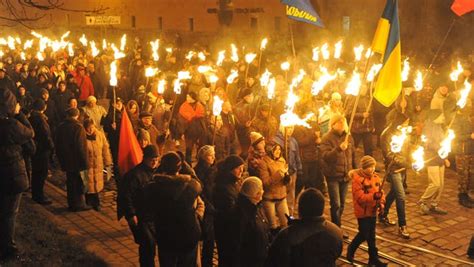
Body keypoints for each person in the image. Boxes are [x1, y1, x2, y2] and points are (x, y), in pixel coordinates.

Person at [146, 152, 204, 267]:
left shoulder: (153, 188)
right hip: (189, 234)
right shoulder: (191, 186)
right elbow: (198, 183)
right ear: (180, 166)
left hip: (166, 235)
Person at [265, 188, 343, 267]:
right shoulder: (336, 231)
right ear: (322, 208)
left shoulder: (286, 236)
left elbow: (273, 261)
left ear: (300, 209)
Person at [0, 88, 35, 261]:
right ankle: (8, 249)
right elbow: (30, 132)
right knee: (9, 213)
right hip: (12, 174)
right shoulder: (11, 125)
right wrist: (19, 114)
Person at [117, 145, 159, 267]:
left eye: (156, 159)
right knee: (147, 244)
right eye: (152, 159)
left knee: (151, 244)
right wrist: (131, 214)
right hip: (140, 216)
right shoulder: (135, 175)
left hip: (152, 215)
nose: (154, 162)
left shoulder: (156, 173)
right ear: (145, 158)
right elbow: (126, 196)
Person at [347, 156, 387, 266]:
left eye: (373, 166)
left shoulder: (376, 177)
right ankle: (351, 248)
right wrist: (374, 196)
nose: (372, 169)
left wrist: (382, 202)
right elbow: (360, 198)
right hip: (363, 213)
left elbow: (381, 193)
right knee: (364, 234)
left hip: (373, 211)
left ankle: (373, 259)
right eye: (369, 167)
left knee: (372, 236)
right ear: (364, 168)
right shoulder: (357, 180)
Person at [320, 114, 355, 235]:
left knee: (342, 204)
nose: (341, 125)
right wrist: (339, 149)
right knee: (336, 204)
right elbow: (326, 157)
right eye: (338, 123)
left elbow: (352, 154)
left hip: (345, 175)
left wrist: (353, 169)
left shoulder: (348, 137)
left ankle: (336, 224)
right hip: (333, 175)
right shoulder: (327, 138)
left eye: (343, 122)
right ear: (333, 124)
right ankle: (337, 228)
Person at [379, 112, 411, 238]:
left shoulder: (402, 133)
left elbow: (407, 150)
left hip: (402, 168)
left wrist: (413, 159)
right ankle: (402, 226)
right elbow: (388, 155)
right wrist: (402, 161)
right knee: (401, 196)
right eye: (405, 123)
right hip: (393, 169)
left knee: (393, 192)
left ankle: (382, 214)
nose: (406, 125)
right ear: (398, 122)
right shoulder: (386, 135)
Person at [55, 108, 90, 212]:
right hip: (77, 160)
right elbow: (81, 147)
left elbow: (57, 142)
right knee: (79, 182)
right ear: (77, 115)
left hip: (66, 159)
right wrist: (84, 162)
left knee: (70, 182)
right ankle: (79, 204)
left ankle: (71, 203)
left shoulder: (61, 127)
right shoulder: (78, 128)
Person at [213, 155, 245, 266]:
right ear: (230, 168)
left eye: (242, 167)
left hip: (233, 229)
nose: (241, 170)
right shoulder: (222, 187)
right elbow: (228, 212)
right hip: (226, 231)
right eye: (238, 168)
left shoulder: (235, 182)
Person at [230, 177, 269, 267]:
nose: (263, 191)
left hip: (260, 258)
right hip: (249, 261)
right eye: (261, 189)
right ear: (255, 193)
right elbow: (237, 243)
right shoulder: (241, 214)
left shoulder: (257, 206)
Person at [419, 109, 449, 215]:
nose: (443, 117)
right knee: (435, 184)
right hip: (431, 158)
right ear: (435, 117)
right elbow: (426, 144)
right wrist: (439, 146)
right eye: (441, 116)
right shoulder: (427, 129)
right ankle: (423, 201)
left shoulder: (440, 128)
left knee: (441, 185)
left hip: (440, 158)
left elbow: (445, 143)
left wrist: (445, 158)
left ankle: (434, 204)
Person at [258, 142, 290, 235]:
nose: (278, 152)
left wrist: (287, 178)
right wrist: (279, 174)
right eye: (275, 150)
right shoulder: (264, 163)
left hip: (281, 196)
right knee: (273, 226)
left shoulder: (282, 161)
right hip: (269, 198)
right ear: (270, 150)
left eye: (279, 149)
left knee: (286, 223)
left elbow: (284, 181)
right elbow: (265, 182)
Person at [83, 119, 113, 211]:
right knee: (88, 184)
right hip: (87, 165)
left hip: (98, 164)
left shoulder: (99, 135)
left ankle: (96, 203)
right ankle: (88, 202)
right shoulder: (82, 136)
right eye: (88, 128)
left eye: (92, 127)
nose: (90, 130)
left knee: (96, 184)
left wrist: (108, 162)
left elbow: (105, 148)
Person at [194, 145, 216, 267]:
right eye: (210, 155)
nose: (213, 157)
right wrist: (208, 205)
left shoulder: (211, 169)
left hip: (211, 205)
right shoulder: (200, 171)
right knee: (208, 238)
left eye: (213, 155)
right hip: (206, 207)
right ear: (203, 157)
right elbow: (201, 191)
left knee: (210, 238)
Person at [272, 125, 302, 216]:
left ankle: (290, 215)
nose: (290, 130)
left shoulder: (293, 141)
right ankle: (280, 214)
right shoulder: (276, 140)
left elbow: (297, 155)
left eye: (292, 128)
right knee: (281, 194)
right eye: (289, 128)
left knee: (291, 195)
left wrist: (299, 168)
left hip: (292, 171)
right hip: (281, 172)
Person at [29, 99, 54, 205]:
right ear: (43, 107)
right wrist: (51, 146)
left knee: (36, 172)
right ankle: (39, 195)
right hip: (42, 149)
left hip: (36, 148)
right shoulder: (40, 119)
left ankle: (36, 194)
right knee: (41, 172)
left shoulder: (32, 117)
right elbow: (45, 135)